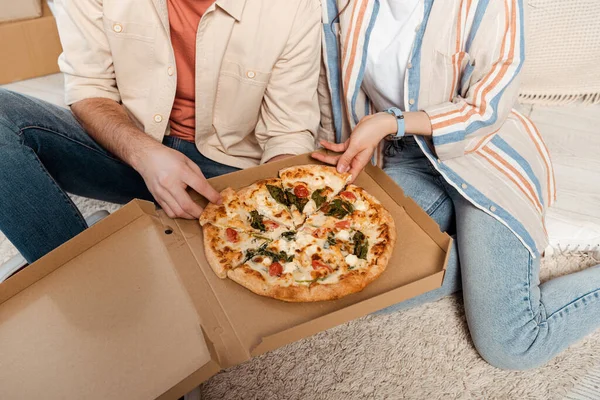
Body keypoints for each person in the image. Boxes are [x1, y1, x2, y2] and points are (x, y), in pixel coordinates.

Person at [314, 0, 600, 370]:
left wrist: (392, 122)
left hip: (482, 156)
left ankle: (487, 267)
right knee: (349, 277)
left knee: (512, 344)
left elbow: (488, 108)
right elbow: (332, 92)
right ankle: (480, 264)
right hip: (402, 158)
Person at [0, 0, 321, 263]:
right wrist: (144, 153)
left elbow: (287, 132)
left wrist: (278, 207)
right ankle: (76, 276)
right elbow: (89, 87)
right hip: (128, 146)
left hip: (226, 173)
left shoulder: (293, 7)